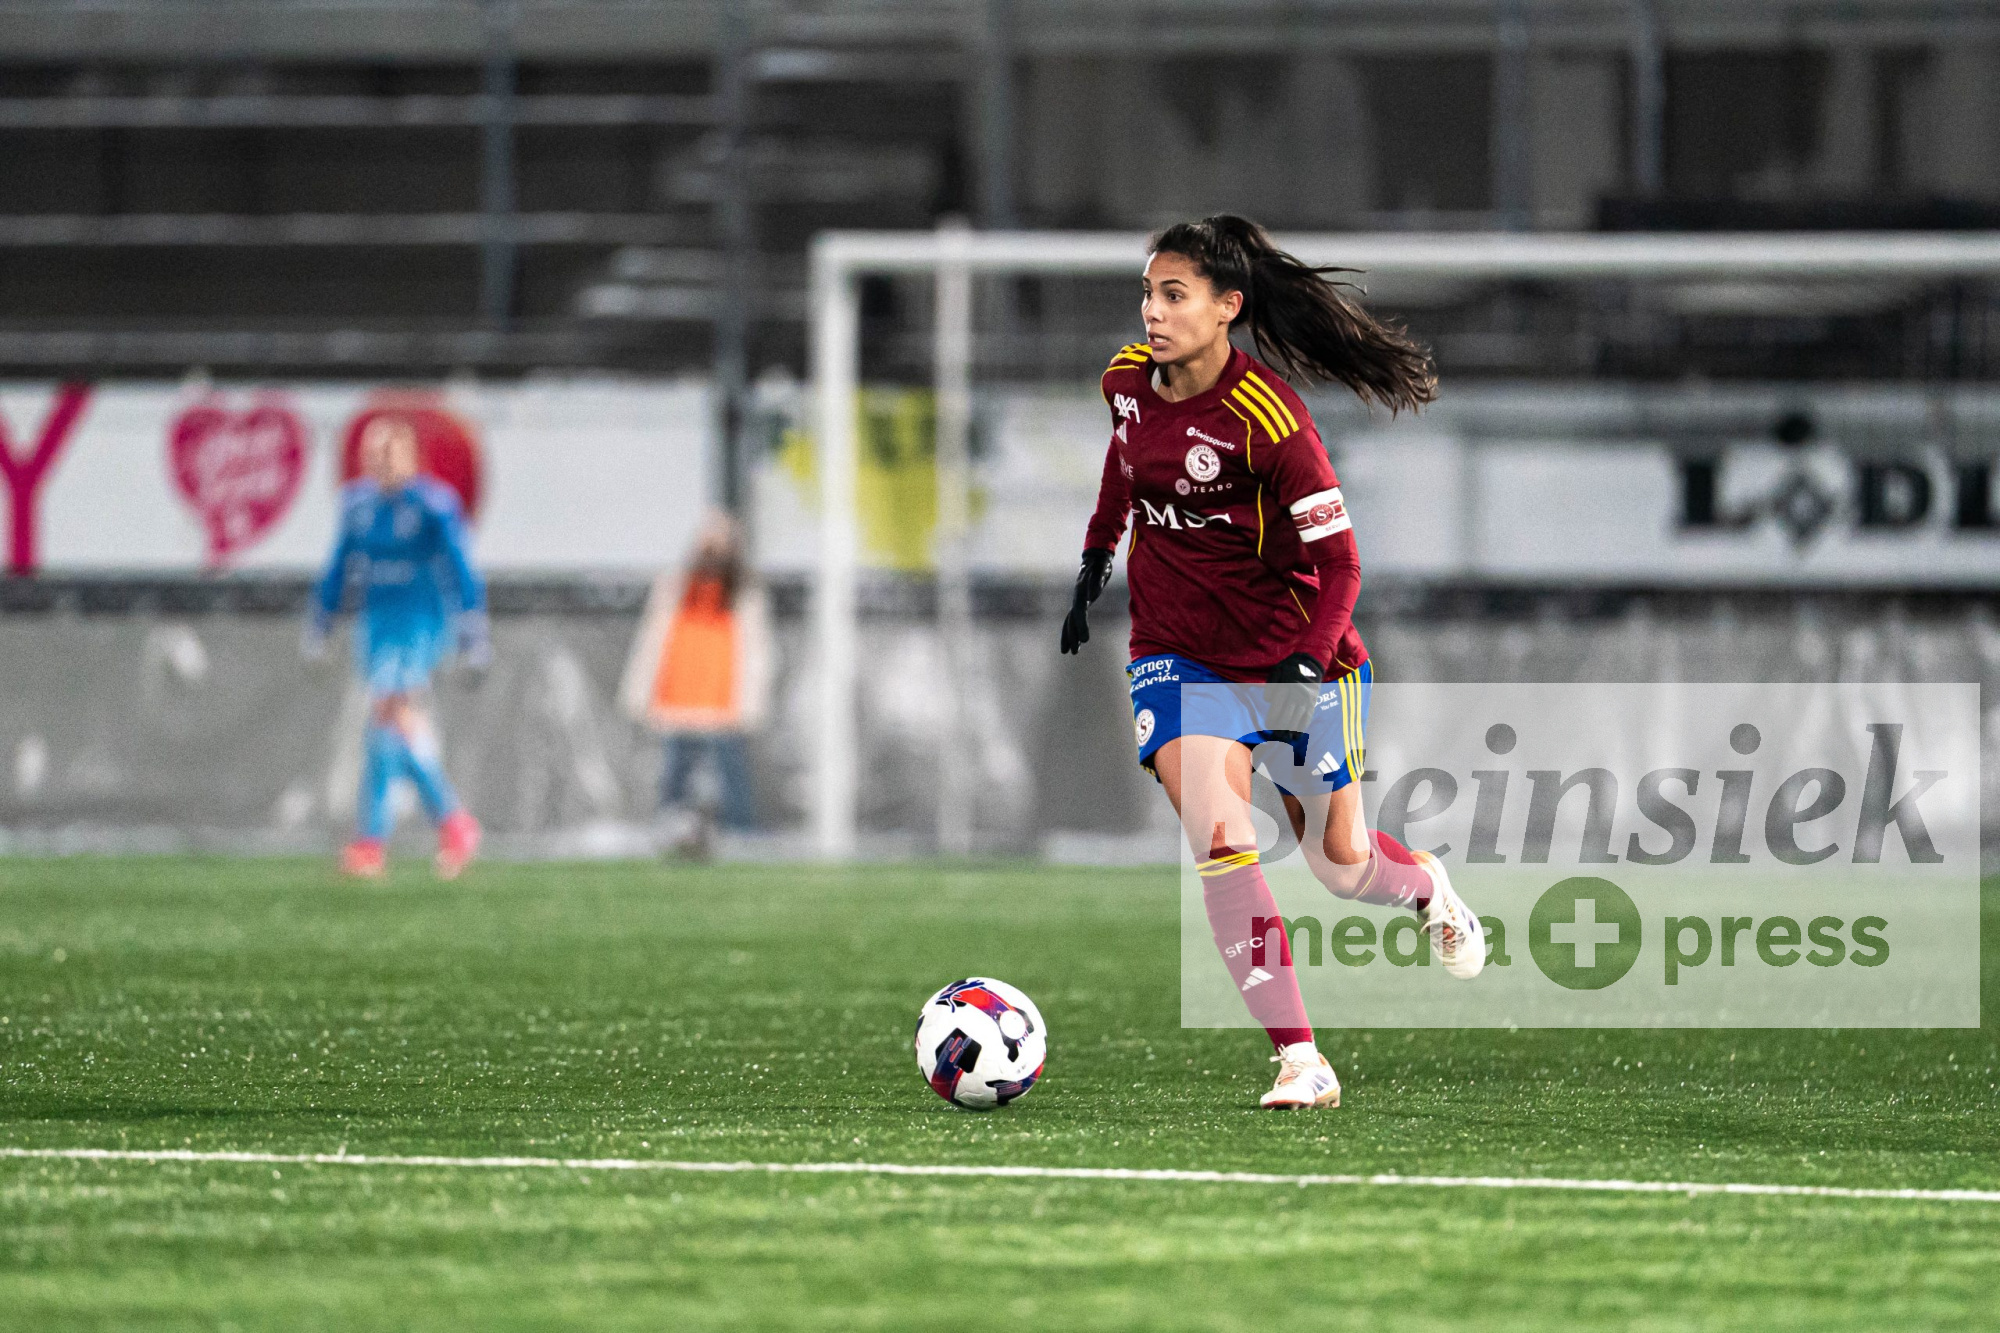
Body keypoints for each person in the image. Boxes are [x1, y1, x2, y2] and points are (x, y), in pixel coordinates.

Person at [1060, 214, 1484, 1110]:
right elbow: (1125, 466)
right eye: (1148, 293)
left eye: (1174, 295)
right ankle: (1301, 1058)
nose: (1152, 312)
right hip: (1176, 654)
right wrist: (1098, 552)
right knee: (1221, 838)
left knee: (1341, 865)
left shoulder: (1271, 420)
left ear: (1227, 307)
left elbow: (1343, 565)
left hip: (1295, 658)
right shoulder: (1125, 382)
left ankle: (1426, 887)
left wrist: (1302, 662)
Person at [305, 415, 488, 879]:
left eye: (390, 454)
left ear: (409, 457)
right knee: (389, 729)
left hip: (419, 622)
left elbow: (460, 569)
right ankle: (448, 824)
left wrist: (472, 630)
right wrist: (321, 620)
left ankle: (378, 839)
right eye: (373, 455)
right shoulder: (356, 506)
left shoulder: (433, 505)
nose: (381, 463)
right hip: (376, 624)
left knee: (389, 712)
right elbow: (339, 565)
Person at [618, 511, 771, 856]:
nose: (713, 552)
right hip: (678, 697)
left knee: (733, 781)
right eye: (707, 543)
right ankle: (667, 837)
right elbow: (651, 642)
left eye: (721, 544)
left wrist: (753, 699)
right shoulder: (676, 587)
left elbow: (757, 651)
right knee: (674, 778)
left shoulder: (745, 593)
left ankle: (742, 840)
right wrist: (640, 691)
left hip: (722, 702)